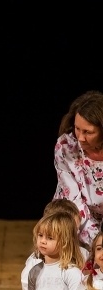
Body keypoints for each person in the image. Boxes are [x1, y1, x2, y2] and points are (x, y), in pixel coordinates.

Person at [54, 90, 103, 247]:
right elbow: (74, 200)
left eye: (88, 132)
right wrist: (96, 242)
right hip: (74, 216)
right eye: (77, 129)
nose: (80, 138)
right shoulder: (66, 147)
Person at [21, 199, 85, 290]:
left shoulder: (83, 254)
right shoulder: (36, 260)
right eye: (70, 230)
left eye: (76, 230)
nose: (74, 235)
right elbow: (28, 289)